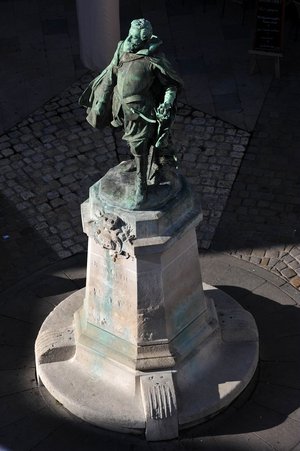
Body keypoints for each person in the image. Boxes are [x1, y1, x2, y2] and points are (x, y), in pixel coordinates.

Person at [79, 18, 183, 207]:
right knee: (131, 140)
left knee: (139, 143)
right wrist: (102, 100)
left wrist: (167, 104)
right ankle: (138, 162)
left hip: (141, 110)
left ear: (145, 39)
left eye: (135, 38)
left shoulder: (154, 59)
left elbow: (171, 86)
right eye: (130, 35)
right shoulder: (123, 46)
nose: (130, 40)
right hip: (120, 107)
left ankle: (141, 184)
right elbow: (112, 72)